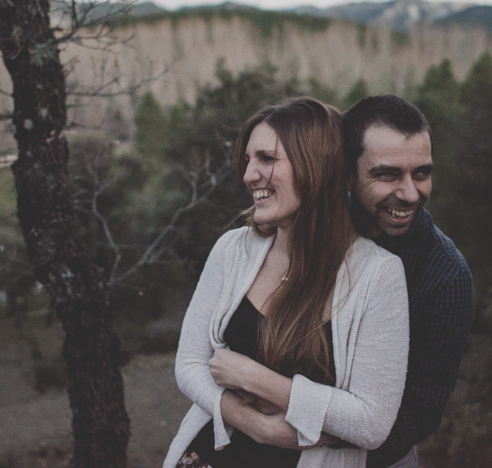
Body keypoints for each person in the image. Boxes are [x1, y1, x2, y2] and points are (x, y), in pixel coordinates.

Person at [163, 97, 411, 468]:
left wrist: (259, 380)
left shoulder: (378, 275)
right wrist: (253, 423)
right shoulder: (232, 250)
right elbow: (189, 364)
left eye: (266, 159)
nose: (249, 175)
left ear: (316, 166)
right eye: (248, 160)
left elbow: (372, 422)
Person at [341, 95, 474, 468]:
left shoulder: (445, 276)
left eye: (422, 173)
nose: (411, 193)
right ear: (348, 173)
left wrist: (308, 451)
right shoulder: (308, 234)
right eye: (388, 174)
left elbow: (419, 411)